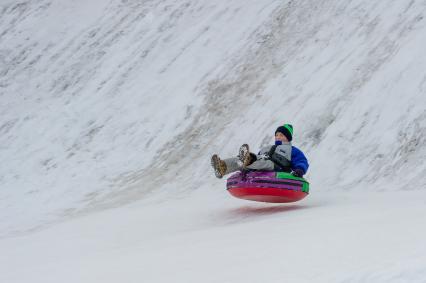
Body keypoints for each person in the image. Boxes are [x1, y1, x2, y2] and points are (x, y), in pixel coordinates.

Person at [211, 124, 309, 178]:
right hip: (262, 163)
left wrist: (300, 169)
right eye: (277, 135)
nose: (278, 137)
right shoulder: (268, 147)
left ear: (288, 138)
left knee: (265, 163)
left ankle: (247, 160)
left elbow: (302, 161)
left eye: (281, 135)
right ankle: (222, 166)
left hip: (277, 167)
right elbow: (259, 156)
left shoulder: (293, 150)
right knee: (241, 160)